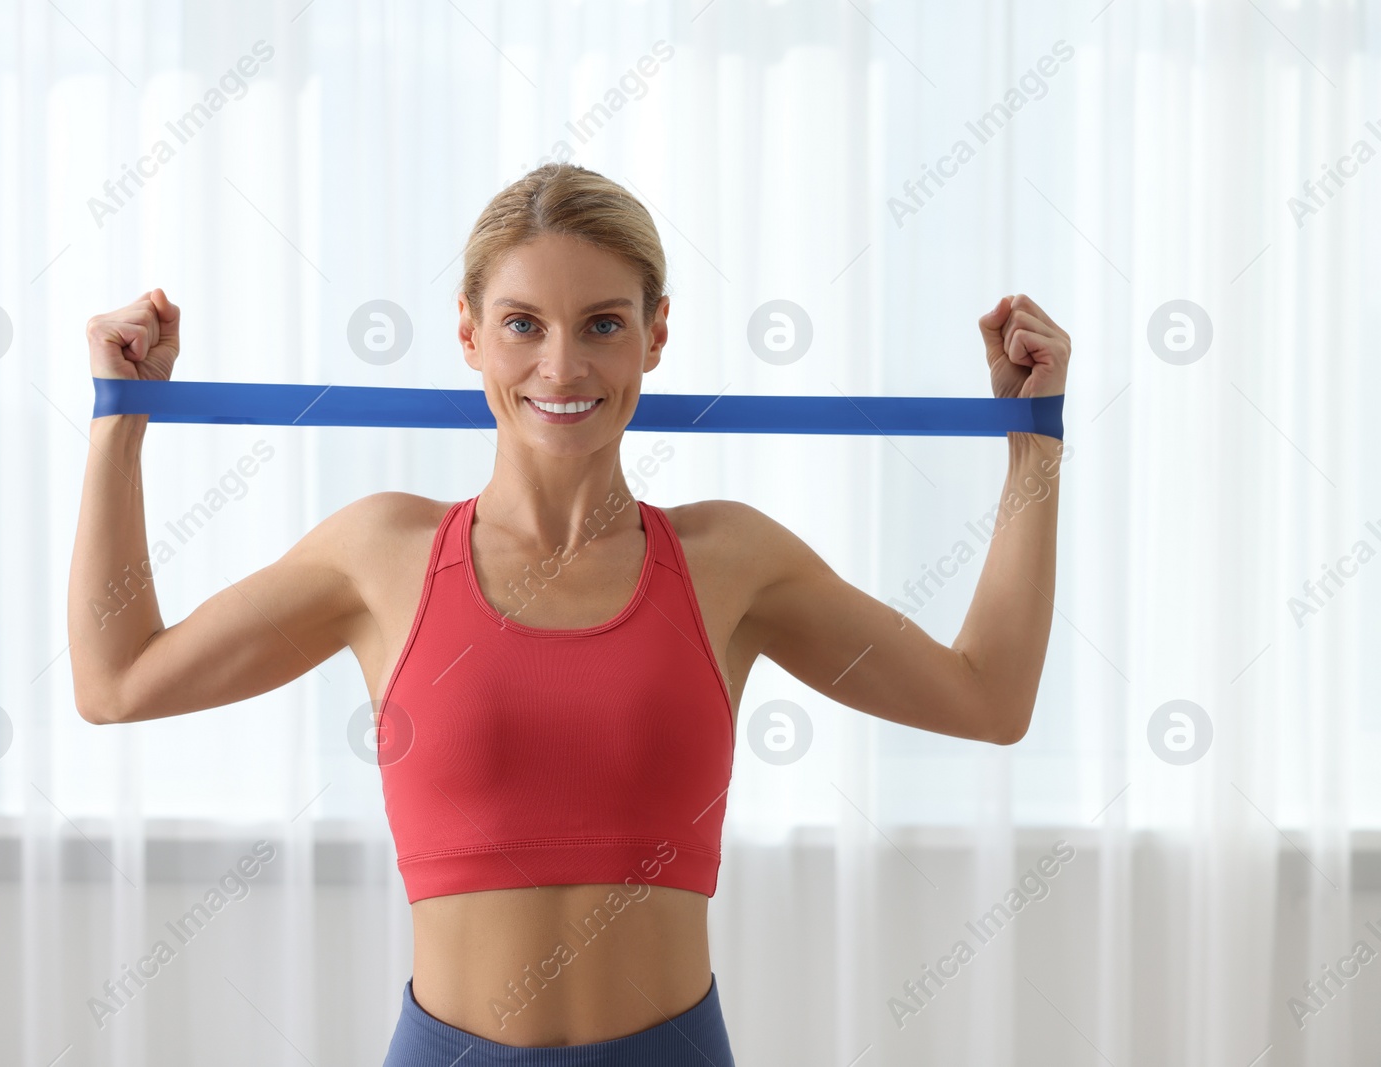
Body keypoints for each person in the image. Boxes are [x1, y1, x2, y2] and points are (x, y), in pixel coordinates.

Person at [68, 162, 1069, 1065]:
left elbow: (987, 698)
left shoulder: (730, 562)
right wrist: (121, 418)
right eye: (521, 324)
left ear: (655, 334)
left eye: (601, 323)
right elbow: (117, 680)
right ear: (468, 332)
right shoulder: (381, 554)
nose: (560, 367)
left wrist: (1035, 441)